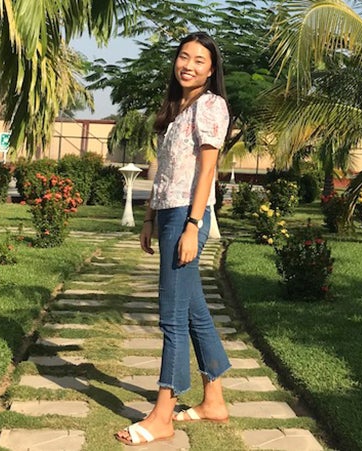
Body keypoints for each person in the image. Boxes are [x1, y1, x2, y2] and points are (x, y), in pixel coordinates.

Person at [114, 31, 232, 446]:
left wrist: (192, 225)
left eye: (200, 60)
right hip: (166, 212)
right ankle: (213, 400)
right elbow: (163, 170)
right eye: (184, 57)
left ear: (212, 69)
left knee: (171, 314)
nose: (189, 65)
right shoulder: (175, 109)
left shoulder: (211, 106)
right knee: (193, 307)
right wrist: (148, 217)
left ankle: (163, 413)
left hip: (187, 213)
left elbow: (206, 171)